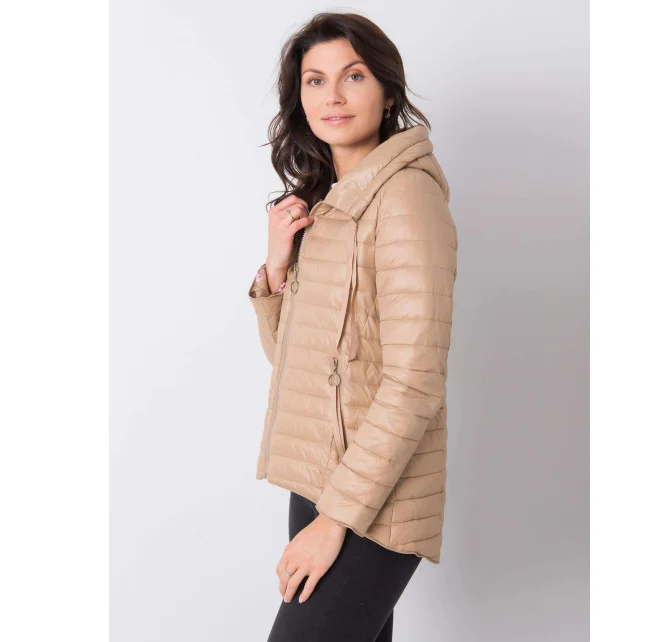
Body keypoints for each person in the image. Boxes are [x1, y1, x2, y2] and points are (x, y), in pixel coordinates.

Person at [247, 12, 458, 641]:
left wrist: (336, 518)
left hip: (373, 498)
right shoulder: (330, 205)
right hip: (321, 477)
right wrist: (278, 270)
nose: (333, 96)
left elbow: (416, 382)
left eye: (354, 76)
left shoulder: (405, 198)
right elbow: (297, 365)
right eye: (315, 80)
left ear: (387, 91)